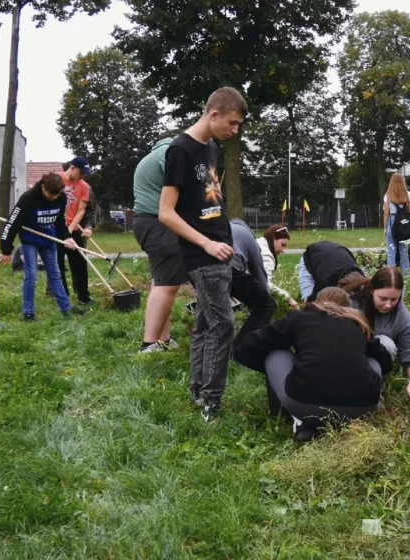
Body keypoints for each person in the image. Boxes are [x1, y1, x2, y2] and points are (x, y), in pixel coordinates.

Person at [159, 86, 247, 422]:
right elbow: (166, 212)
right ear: (213, 114)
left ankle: (197, 389)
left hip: (220, 248)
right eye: (233, 122)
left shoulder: (210, 147)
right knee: (224, 325)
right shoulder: (179, 150)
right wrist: (207, 244)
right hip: (202, 253)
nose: (235, 130)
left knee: (207, 322)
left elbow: (211, 199)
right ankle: (212, 401)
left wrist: (225, 239)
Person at [235, 287, 393, 442]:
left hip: (303, 401)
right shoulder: (358, 323)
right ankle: (353, 417)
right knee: (373, 359)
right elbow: (385, 362)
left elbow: (248, 346)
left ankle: (290, 416)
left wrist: (278, 370)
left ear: (316, 303)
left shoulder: (299, 318)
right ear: (347, 307)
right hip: (363, 406)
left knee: (275, 352)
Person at [0, 173, 85, 320]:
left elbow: (60, 222)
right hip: (30, 240)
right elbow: (12, 224)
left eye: (57, 194)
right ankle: (28, 313)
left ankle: (66, 309)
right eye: (52, 194)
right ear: (43, 187)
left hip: (48, 240)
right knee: (31, 275)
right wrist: (6, 249)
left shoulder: (60, 197)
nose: (54, 197)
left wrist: (67, 237)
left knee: (55, 274)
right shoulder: (28, 199)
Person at [339, 266, 410, 404]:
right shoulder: (351, 302)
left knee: (386, 344)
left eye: (394, 299)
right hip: (346, 357)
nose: (388, 305)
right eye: (383, 298)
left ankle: (375, 392)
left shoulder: (402, 316)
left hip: (374, 363)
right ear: (372, 289)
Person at [133, 138, 186, 354]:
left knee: (163, 281)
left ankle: (163, 339)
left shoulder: (153, 156)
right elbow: (180, 186)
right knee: (166, 285)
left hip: (148, 223)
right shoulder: (169, 153)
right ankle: (149, 343)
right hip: (158, 223)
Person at [229, 219, 277, 350]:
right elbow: (259, 273)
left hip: (198, 268)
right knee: (266, 306)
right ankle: (237, 350)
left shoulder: (225, 228)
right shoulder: (249, 237)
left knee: (214, 311)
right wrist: (266, 301)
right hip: (229, 267)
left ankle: (203, 351)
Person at [56, 157, 93, 306]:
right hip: (54, 229)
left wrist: (69, 231)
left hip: (74, 229)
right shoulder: (56, 179)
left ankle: (83, 296)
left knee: (79, 263)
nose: (83, 176)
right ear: (72, 168)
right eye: (81, 172)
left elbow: (81, 210)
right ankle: (63, 299)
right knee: (57, 266)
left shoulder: (84, 186)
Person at [298, 240, 364, 302]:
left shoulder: (361, 278)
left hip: (335, 254)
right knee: (308, 297)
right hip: (312, 256)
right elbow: (312, 303)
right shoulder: (324, 282)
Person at [257, 225, 299, 309]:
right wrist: (288, 298)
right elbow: (265, 283)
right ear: (273, 239)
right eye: (282, 245)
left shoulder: (259, 243)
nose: (283, 250)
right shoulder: (266, 255)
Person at [383, 173, 410, 273]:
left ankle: (391, 275)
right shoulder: (408, 195)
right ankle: (405, 274)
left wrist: (385, 228)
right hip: (403, 224)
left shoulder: (387, 196)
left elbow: (386, 213)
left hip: (392, 223)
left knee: (391, 250)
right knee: (404, 251)